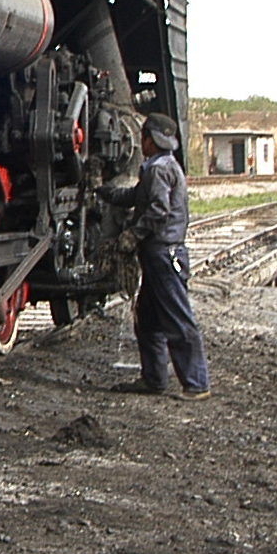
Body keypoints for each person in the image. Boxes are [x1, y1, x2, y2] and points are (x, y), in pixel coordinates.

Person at [101, 112, 209, 397]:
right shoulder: (164, 165)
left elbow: (158, 211)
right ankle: (154, 379)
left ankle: (196, 384)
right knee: (148, 320)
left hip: (163, 254)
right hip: (160, 254)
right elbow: (137, 197)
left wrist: (133, 235)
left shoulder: (157, 170)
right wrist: (107, 193)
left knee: (178, 319)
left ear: (148, 140)